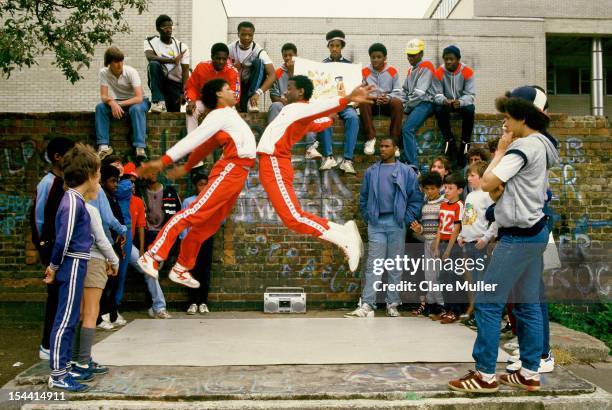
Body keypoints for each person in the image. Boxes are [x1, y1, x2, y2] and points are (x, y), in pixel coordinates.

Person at [448, 86, 559, 393]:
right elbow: (501, 191)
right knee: (527, 304)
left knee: (487, 301)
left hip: (518, 237)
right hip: (534, 231)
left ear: (524, 117)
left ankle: (484, 375)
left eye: (509, 118)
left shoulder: (522, 148)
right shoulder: (541, 145)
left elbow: (486, 184)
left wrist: (499, 150)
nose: (505, 124)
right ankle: (529, 372)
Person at [138, 78, 257, 287]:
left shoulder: (229, 114)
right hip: (230, 169)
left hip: (239, 173)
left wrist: (186, 167)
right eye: (228, 89)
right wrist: (164, 161)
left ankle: (181, 267)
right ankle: (152, 255)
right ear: (219, 95)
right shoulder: (219, 114)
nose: (233, 92)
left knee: (208, 225)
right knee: (192, 213)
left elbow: (206, 145)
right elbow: (195, 138)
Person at [257, 76, 374, 272]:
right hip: (272, 163)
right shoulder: (293, 111)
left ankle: (344, 240)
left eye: (290, 88)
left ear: (301, 92)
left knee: (293, 218)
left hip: (274, 162)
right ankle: (343, 232)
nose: (285, 92)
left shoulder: (300, 108)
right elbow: (318, 123)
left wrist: (346, 99)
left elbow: (319, 110)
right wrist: (329, 119)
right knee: (293, 218)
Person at [44, 143, 100, 392]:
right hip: (72, 263)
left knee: (69, 317)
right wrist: (54, 266)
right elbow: (63, 240)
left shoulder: (73, 200)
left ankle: (64, 368)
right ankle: (58, 374)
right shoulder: (73, 202)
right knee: (65, 319)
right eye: (98, 174)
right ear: (89, 175)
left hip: (76, 262)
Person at [345, 137, 423, 318]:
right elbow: (363, 198)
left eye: (387, 146)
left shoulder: (406, 172)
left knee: (395, 265)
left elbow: (416, 199)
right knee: (374, 265)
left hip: (397, 223)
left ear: (395, 149)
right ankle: (367, 304)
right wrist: (368, 216)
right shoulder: (372, 171)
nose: (382, 149)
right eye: (381, 146)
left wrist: (406, 219)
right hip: (376, 223)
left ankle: (392, 303)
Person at [31, 137, 75, 361]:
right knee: (55, 297)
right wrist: (43, 249)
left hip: (65, 248)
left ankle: (59, 343)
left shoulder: (68, 182)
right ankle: (46, 344)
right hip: (51, 249)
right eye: (70, 153)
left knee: (65, 299)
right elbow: (38, 219)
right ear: (58, 157)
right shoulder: (48, 183)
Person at [71, 190, 119, 376]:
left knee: (81, 313)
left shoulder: (69, 207)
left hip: (78, 262)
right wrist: (114, 261)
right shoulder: (90, 210)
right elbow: (101, 239)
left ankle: (77, 358)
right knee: (91, 313)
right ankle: (83, 362)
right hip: (95, 261)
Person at [124, 163, 171, 319]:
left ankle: (159, 307)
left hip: (129, 245)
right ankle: (106, 312)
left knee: (148, 269)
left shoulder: (137, 201)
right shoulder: (112, 198)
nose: (130, 185)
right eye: (127, 181)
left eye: (132, 182)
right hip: (111, 244)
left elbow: (141, 227)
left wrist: (143, 250)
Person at [457, 161, 497, 324]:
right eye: (468, 175)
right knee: (472, 281)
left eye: (472, 175)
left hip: (480, 244)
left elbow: (495, 219)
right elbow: (466, 219)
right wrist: (461, 235)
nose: (469, 178)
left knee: (482, 281)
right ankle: (474, 312)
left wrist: (486, 237)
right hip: (467, 243)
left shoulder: (487, 195)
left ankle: (482, 315)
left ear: (481, 178)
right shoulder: (469, 195)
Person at [95, 46, 150, 160]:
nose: (119, 64)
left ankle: (140, 147)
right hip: (120, 101)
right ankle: (103, 146)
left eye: (121, 61)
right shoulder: (104, 73)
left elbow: (139, 97)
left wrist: (117, 104)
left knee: (136, 109)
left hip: (139, 101)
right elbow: (104, 96)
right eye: (116, 62)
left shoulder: (130, 72)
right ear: (108, 63)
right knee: (100, 108)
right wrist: (111, 102)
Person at [318, 30, 360, 174]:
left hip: (345, 104)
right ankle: (328, 156)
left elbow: (356, 87)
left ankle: (347, 160)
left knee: (353, 117)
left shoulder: (350, 66)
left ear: (342, 46)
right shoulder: (321, 65)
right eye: (332, 45)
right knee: (324, 118)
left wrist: (355, 102)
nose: (335, 48)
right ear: (328, 46)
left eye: (337, 45)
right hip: (329, 104)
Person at [409, 172, 446, 317]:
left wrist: (437, 243)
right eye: (427, 189)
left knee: (438, 276)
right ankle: (432, 305)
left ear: (439, 188)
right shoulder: (425, 206)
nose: (429, 192)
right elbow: (426, 228)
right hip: (427, 243)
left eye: (433, 188)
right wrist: (420, 229)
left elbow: (443, 226)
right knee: (428, 275)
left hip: (438, 244)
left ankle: (442, 305)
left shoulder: (443, 204)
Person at [431, 172, 466, 324]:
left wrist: (448, 250)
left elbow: (456, 229)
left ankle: (455, 311)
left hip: (453, 247)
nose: (447, 190)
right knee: (443, 278)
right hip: (443, 244)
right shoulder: (444, 204)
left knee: (453, 278)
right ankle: (446, 308)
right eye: (445, 187)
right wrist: (438, 246)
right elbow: (440, 227)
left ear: (459, 190)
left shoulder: (460, 205)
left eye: (450, 188)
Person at [433, 45, 476, 168]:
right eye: (446, 59)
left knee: (470, 109)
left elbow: (470, 95)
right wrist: (445, 100)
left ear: (458, 59)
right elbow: (436, 94)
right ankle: (450, 141)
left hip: (461, 102)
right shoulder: (439, 72)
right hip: (447, 102)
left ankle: (465, 143)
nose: (448, 62)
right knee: (438, 109)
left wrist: (460, 102)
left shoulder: (467, 71)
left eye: (451, 59)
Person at [400, 39, 439, 168]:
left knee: (408, 129)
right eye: (409, 54)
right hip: (415, 103)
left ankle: (413, 164)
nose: (410, 57)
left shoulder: (426, 66)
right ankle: (404, 158)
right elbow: (404, 90)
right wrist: (404, 103)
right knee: (401, 126)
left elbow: (420, 93)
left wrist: (406, 107)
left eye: (414, 54)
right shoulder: (411, 70)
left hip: (426, 103)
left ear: (421, 53)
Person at [185, 43, 240, 133]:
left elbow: (235, 96)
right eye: (218, 58)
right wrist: (191, 100)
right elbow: (191, 86)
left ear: (227, 59)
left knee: (232, 112)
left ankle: (230, 142)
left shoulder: (232, 71)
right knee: (192, 111)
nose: (221, 61)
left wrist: (215, 109)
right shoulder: (201, 67)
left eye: (224, 59)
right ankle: (192, 143)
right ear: (212, 57)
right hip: (204, 102)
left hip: (224, 104)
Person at [360, 43, 403, 156]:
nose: (375, 60)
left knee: (397, 103)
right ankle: (370, 139)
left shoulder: (392, 71)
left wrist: (388, 98)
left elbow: (398, 91)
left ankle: (394, 142)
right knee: (363, 102)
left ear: (385, 58)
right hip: (372, 103)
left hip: (387, 102)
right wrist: (374, 97)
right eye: (373, 57)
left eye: (379, 57)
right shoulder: (364, 71)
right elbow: (361, 90)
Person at [181, 171, 214, 314]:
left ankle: (203, 302)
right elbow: (184, 223)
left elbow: (221, 221)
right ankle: (193, 302)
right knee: (192, 271)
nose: (204, 188)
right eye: (201, 185)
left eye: (206, 185)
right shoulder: (189, 201)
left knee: (205, 272)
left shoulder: (213, 201)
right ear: (195, 186)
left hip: (206, 240)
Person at [145, 14, 190, 113]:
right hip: (159, 81)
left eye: (170, 27)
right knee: (153, 64)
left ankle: (164, 103)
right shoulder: (150, 41)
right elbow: (150, 57)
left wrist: (184, 92)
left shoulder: (181, 46)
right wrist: (172, 60)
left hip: (175, 84)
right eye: (165, 27)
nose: (169, 30)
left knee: (173, 113)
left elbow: (185, 71)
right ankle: (158, 101)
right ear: (158, 29)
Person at [228, 21, 275, 113]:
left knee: (259, 62)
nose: (246, 37)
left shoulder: (258, 50)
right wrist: (232, 67)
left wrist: (258, 93)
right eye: (243, 34)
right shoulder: (230, 48)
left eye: (250, 35)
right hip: (235, 83)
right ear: (238, 34)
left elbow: (273, 74)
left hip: (251, 84)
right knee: (241, 109)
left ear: (253, 35)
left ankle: (252, 99)